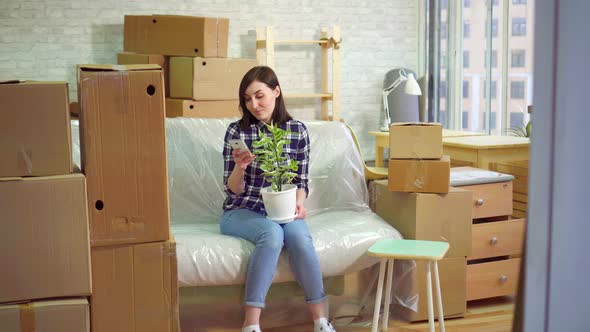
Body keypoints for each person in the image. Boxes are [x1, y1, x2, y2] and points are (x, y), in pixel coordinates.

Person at [220, 66, 336, 332]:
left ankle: (320, 321)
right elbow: (233, 191)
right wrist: (241, 167)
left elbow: (301, 181)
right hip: (241, 211)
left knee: (299, 238)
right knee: (271, 235)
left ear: (276, 91)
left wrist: (299, 203)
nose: (254, 104)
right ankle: (250, 325)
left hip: (283, 209)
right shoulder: (237, 132)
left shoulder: (297, 131)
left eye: (259, 96)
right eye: (247, 99)